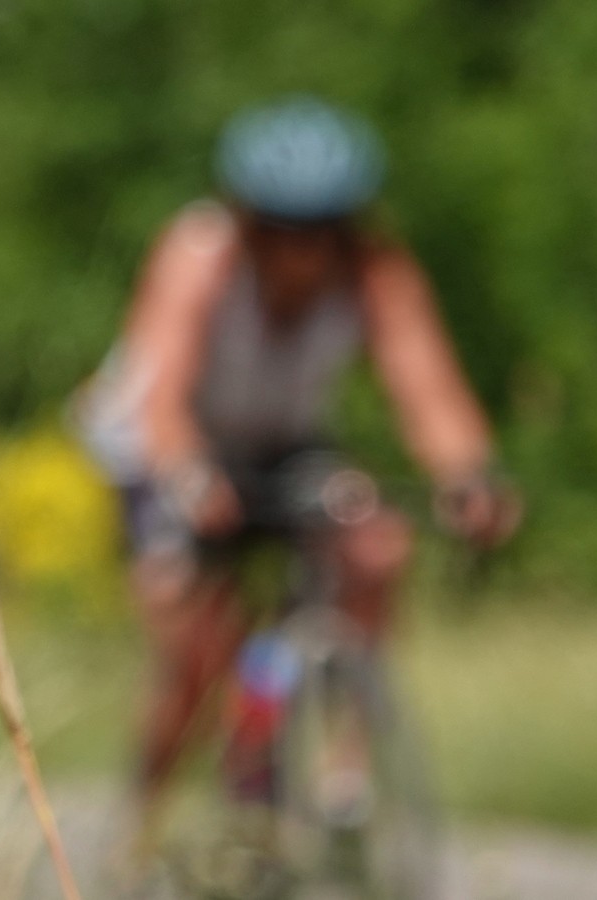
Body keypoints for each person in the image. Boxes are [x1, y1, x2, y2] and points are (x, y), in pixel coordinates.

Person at [78, 96, 521, 843]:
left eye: (323, 229)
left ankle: (341, 760)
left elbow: (427, 388)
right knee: (197, 651)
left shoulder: (377, 270)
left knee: (374, 542)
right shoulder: (199, 254)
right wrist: (188, 475)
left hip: (284, 445)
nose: (302, 251)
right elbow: (162, 390)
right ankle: (138, 827)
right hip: (163, 447)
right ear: (250, 220)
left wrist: (471, 477)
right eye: (283, 228)